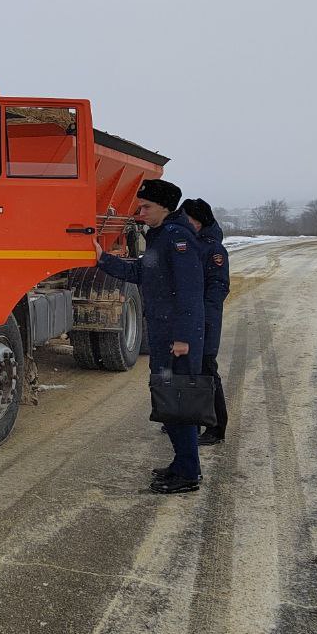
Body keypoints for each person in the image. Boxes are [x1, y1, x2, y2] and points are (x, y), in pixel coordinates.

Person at [95, 178, 207, 494]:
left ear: (164, 207)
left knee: (178, 403)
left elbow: (189, 292)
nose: (140, 212)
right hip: (164, 334)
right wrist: (101, 258)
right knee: (168, 401)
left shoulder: (178, 240)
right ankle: (182, 464)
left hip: (177, 339)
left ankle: (188, 474)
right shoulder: (161, 237)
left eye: (146, 206)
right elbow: (139, 273)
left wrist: (183, 338)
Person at [182, 198, 230, 444]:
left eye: (187, 218)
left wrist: (202, 321)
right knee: (188, 371)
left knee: (206, 370)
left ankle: (216, 427)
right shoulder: (191, 244)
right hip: (189, 320)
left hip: (205, 322)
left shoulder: (214, 250)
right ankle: (188, 420)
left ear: (198, 221)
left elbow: (218, 290)